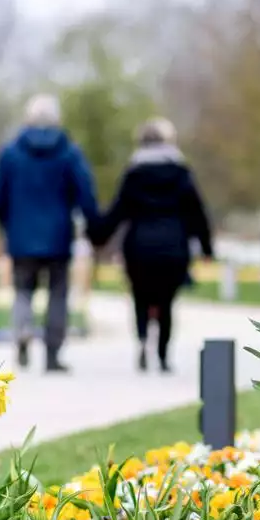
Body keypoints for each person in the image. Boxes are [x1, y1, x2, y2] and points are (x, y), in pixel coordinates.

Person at [89, 118, 213, 373]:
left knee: (141, 298)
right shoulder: (181, 174)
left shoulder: (133, 175)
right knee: (167, 302)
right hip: (173, 247)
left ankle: (143, 341)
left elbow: (117, 211)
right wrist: (207, 248)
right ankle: (164, 356)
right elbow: (197, 212)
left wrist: (96, 235)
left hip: (139, 248)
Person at [0, 94, 99, 373]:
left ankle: (23, 332)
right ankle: (52, 354)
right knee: (58, 294)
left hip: (21, 234)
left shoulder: (10, 153)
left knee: (23, 290)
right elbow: (85, 192)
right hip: (58, 235)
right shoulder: (69, 152)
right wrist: (92, 224)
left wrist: (8, 223)